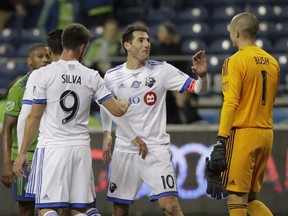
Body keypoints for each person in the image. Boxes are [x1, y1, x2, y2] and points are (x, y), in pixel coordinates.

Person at [13, 23, 130, 216]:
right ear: (83, 47)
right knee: (80, 209)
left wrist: (22, 152)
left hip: (52, 148)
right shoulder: (92, 76)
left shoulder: (44, 74)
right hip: (80, 149)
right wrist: (124, 102)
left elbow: (34, 116)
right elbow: (117, 111)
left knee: (47, 208)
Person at [100, 23, 208, 216]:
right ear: (127, 46)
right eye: (140, 40)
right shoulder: (112, 76)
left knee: (171, 206)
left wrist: (203, 76)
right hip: (125, 149)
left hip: (156, 148)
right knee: (120, 209)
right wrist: (107, 132)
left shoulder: (162, 70)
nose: (146, 44)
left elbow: (199, 89)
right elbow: (104, 105)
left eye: (148, 40)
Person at [205, 12, 280, 216]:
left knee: (236, 196)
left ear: (236, 32)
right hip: (266, 134)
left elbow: (230, 102)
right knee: (251, 198)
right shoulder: (273, 62)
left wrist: (221, 140)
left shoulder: (235, 61)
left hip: (244, 135)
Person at [1, 44, 50, 216]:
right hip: (25, 157)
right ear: (29, 61)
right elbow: (7, 128)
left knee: (52, 205)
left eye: (47, 56)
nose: (45, 60)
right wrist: (7, 164)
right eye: (40, 56)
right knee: (26, 208)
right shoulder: (19, 88)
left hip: (50, 154)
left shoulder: (53, 83)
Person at [156, 21, 202, 124]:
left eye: (161, 31)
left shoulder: (178, 51)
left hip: (176, 86)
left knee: (180, 96)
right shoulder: (156, 51)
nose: (158, 34)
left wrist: (181, 90)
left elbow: (184, 72)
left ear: (169, 34)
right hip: (160, 86)